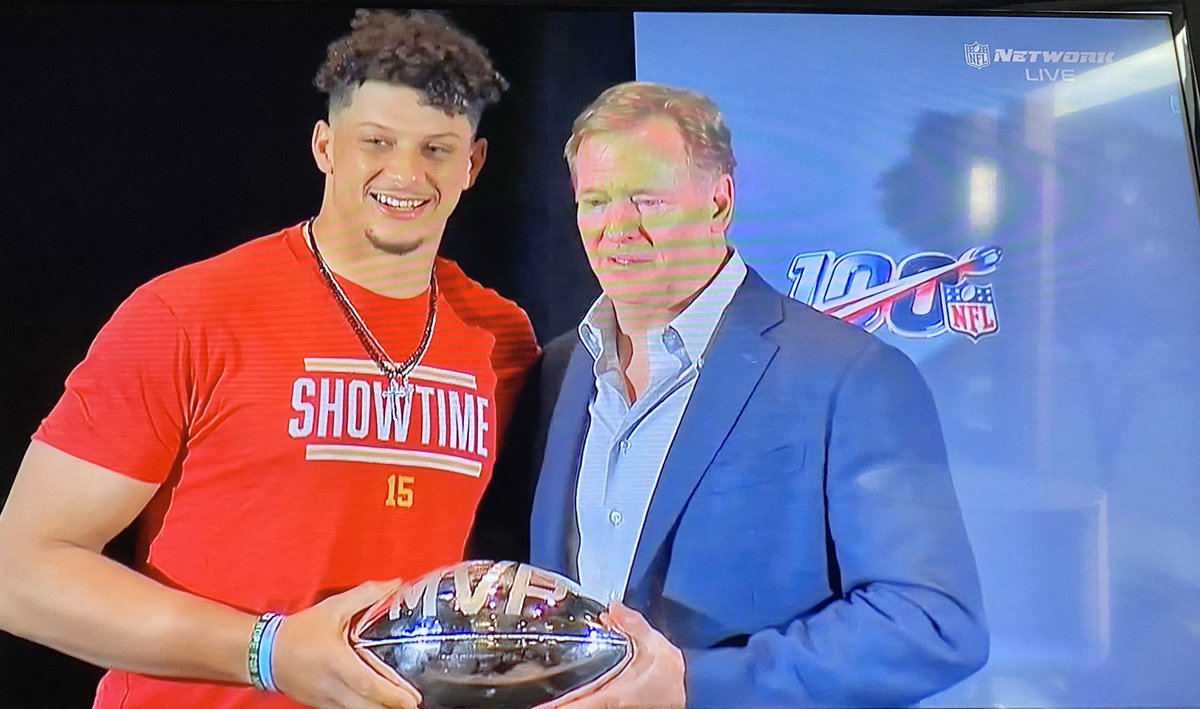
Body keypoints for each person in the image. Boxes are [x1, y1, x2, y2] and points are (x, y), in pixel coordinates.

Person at [0, 9, 538, 709]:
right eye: (377, 141)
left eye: (436, 149)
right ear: (326, 147)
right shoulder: (188, 314)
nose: (406, 173)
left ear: (473, 164)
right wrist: (269, 652)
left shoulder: (500, 338)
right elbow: (20, 574)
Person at [526, 82, 989, 708]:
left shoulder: (852, 376)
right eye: (596, 201)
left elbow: (931, 623)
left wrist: (692, 684)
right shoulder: (558, 370)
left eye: (647, 200)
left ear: (720, 203)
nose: (617, 228)